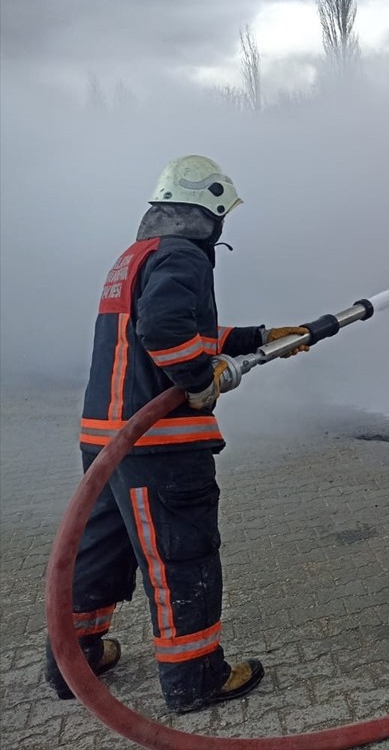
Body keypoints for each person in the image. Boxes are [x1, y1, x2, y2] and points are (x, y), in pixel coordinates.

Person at [46, 155, 309, 713]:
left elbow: (174, 327)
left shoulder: (135, 256)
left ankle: (74, 661)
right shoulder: (185, 255)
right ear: (207, 212)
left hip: (105, 443)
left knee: (95, 554)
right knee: (179, 559)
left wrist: (258, 337)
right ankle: (195, 678)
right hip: (156, 447)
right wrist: (198, 380)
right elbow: (165, 329)